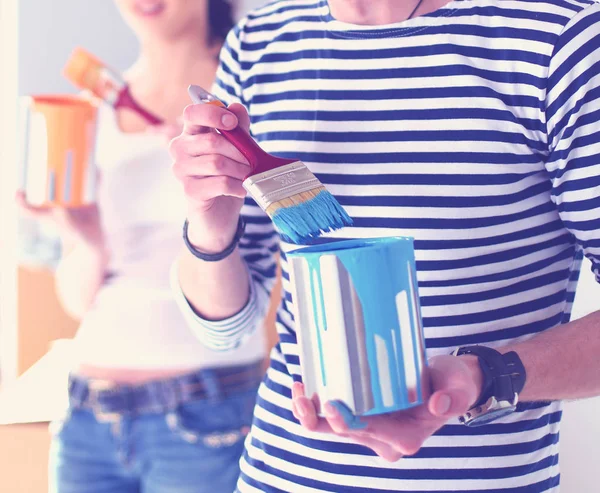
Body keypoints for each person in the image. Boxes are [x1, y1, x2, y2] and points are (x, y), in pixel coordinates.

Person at [168, 0, 600, 491]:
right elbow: (226, 329)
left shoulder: (557, 40)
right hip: (280, 475)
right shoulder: (259, 44)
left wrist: (485, 376)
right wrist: (208, 223)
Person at [17, 1, 267, 492]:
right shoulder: (94, 113)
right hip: (86, 416)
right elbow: (79, 299)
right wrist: (87, 239)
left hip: (207, 414)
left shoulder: (249, 98)